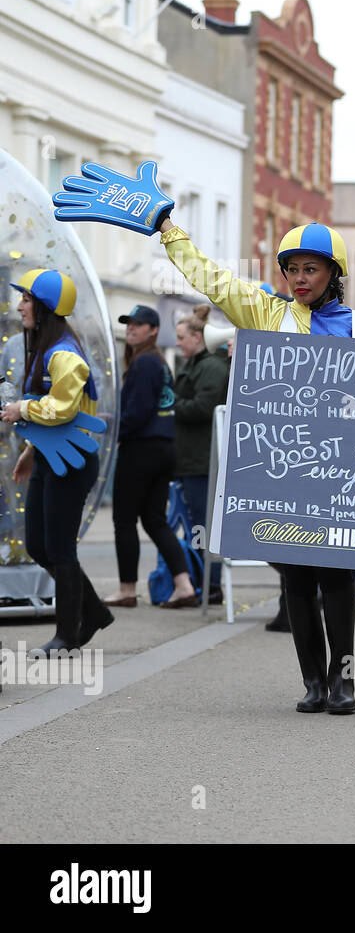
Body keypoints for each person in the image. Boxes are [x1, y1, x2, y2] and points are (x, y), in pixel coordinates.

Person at [159, 215, 355, 714]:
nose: (300, 278)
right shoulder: (263, 311)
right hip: (281, 466)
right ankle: (313, 683)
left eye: (311, 269)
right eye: (292, 268)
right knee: (295, 576)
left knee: (336, 578)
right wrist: (168, 229)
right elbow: (211, 277)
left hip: (334, 470)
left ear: (332, 273)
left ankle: (345, 682)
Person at [1, 270, 113, 654]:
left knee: (60, 549)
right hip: (52, 458)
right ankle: (94, 611)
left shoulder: (64, 354)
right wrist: (32, 453)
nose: (20, 307)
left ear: (46, 307)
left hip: (74, 462)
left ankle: (67, 634)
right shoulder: (44, 348)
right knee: (38, 545)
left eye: (27, 300)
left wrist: (20, 407)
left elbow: (62, 409)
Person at [105, 305, 197, 609]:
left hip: (140, 449)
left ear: (153, 330)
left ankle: (127, 589)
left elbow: (138, 413)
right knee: (155, 521)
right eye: (128, 323)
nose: (131, 328)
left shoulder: (144, 364)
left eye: (138, 324)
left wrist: (112, 430)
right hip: (164, 448)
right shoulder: (158, 362)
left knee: (124, 520)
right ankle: (183, 585)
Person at [173, 304, 229, 605]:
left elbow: (203, 408)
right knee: (199, 523)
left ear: (198, 337)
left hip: (202, 460)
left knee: (203, 525)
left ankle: (210, 582)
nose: (178, 342)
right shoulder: (200, 365)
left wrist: (173, 405)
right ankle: (204, 580)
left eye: (182, 337)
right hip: (195, 458)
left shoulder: (209, 367)